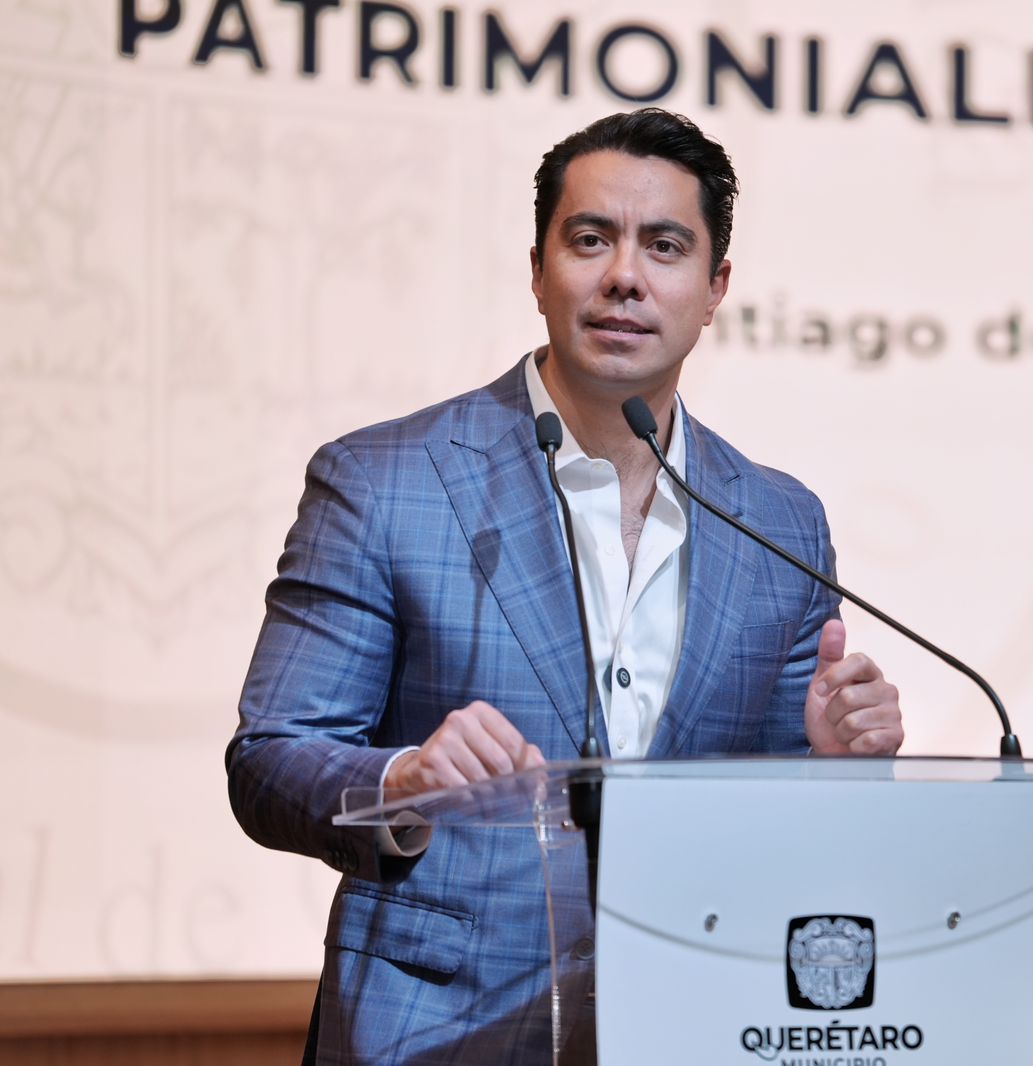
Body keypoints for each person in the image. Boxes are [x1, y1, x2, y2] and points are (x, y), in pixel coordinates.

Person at [226, 108, 905, 1066]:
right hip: (434, 1034)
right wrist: (403, 783)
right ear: (539, 271)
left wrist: (830, 765)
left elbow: (776, 825)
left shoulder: (780, 522)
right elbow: (268, 761)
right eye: (591, 239)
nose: (625, 275)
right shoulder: (385, 482)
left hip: (690, 1025)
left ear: (715, 288)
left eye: (665, 246)